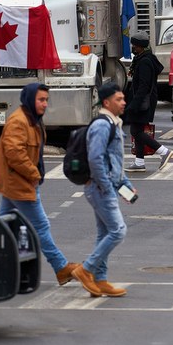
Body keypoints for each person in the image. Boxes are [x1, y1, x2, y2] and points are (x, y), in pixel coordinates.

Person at [0, 83, 78, 287]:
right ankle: (61, 267)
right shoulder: (19, 121)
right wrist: (34, 173)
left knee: (4, 225)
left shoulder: (32, 119)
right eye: (41, 100)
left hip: (18, 180)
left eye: (46, 100)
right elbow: (14, 153)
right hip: (18, 181)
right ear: (30, 99)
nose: (45, 104)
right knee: (41, 226)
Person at [71, 82, 136, 297]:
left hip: (103, 186)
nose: (123, 102)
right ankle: (86, 269)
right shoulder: (102, 125)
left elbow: (114, 161)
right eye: (119, 99)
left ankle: (100, 281)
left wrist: (125, 185)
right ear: (107, 102)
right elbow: (95, 158)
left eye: (123, 99)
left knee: (105, 234)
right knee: (118, 231)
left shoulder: (113, 123)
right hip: (99, 188)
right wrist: (107, 187)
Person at [124, 31, 173, 173]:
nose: (133, 47)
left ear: (140, 46)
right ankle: (139, 162)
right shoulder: (144, 58)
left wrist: (135, 103)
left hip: (143, 101)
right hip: (144, 100)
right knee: (138, 130)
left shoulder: (145, 62)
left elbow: (144, 86)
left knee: (135, 130)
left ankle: (163, 151)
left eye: (135, 45)